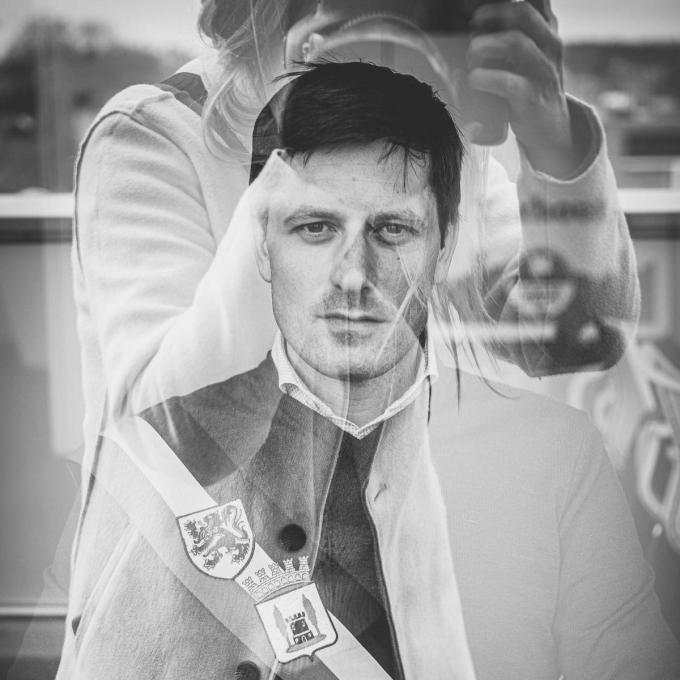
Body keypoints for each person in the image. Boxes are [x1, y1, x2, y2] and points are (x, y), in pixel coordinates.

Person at [58, 62, 679, 680]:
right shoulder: (165, 460)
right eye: (316, 228)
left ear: (445, 246)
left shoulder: (554, 456)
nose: (354, 274)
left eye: (392, 229)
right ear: (260, 246)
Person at [72, 0, 639, 483]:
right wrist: (300, 147)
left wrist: (556, 145)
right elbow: (167, 439)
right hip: (203, 569)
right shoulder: (155, 134)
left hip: (382, 563)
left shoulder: (424, 134)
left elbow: (575, 338)